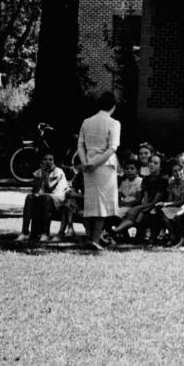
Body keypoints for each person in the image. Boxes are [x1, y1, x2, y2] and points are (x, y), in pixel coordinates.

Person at [75, 91, 121, 252]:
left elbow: (80, 145)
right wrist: (94, 164)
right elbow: (112, 148)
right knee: (101, 205)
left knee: (91, 203)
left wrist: (85, 162)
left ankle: (90, 237)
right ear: (113, 106)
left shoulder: (87, 121)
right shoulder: (114, 123)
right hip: (104, 167)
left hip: (89, 167)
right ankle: (94, 239)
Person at [15, 152, 69, 246]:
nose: (48, 161)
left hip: (58, 198)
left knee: (46, 198)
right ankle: (25, 232)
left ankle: (45, 234)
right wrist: (42, 176)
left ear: (54, 161)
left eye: (50, 159)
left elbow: (49, 188)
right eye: (45, 159)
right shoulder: (38, 172)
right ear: (41, 162)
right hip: (44, 198)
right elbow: (35, 189)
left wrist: (46, 174)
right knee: (29, 197)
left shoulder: (58, 171)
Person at [112, 154, 166, 243]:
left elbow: (155, 202)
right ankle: (117, 232)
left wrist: (137, 208)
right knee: (134, 213)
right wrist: (139, 208)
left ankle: (115, 231)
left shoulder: (162, 180)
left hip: (158, 206)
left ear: (161, 167)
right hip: (146, 205)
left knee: (138, 214)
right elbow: (146, 199)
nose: (151, 164)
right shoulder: (146, 179)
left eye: (155, 163)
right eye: (150, 162)